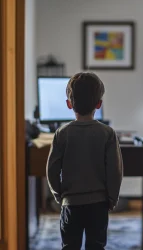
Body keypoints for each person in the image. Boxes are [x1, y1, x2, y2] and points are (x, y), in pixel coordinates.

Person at [46, 72, 123, 250]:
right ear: (99, 104)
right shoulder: (108, 133)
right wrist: (112, 197)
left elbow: (51, 169)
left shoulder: (62, 133)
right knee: (96, 246)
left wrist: (59, 194)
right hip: (98, 205)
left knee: (69, 245)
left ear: (69, 104)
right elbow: (115, 170)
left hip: (71, 204)